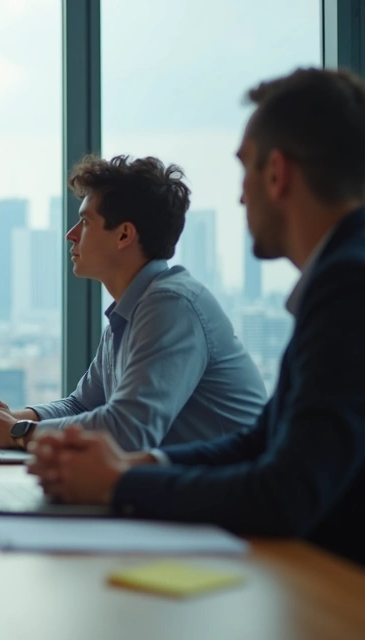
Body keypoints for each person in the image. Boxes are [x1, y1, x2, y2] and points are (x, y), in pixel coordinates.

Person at [27, 67, 365, 568]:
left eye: (244, 170)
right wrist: (133, 466)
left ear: (277, 173)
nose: (241, 197)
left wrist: (119, 481)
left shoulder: (348, 285)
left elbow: (284, 493)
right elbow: (262, 441)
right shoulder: (340, 276)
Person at [0, 155, 267, 452]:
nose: (70, 235)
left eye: (85, 222)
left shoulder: (171, 306)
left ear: (124, 235)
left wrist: (17, 433)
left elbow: (129, 431)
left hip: (225, 488)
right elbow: (82, 405)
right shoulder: (131, 310)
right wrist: (11, 419)